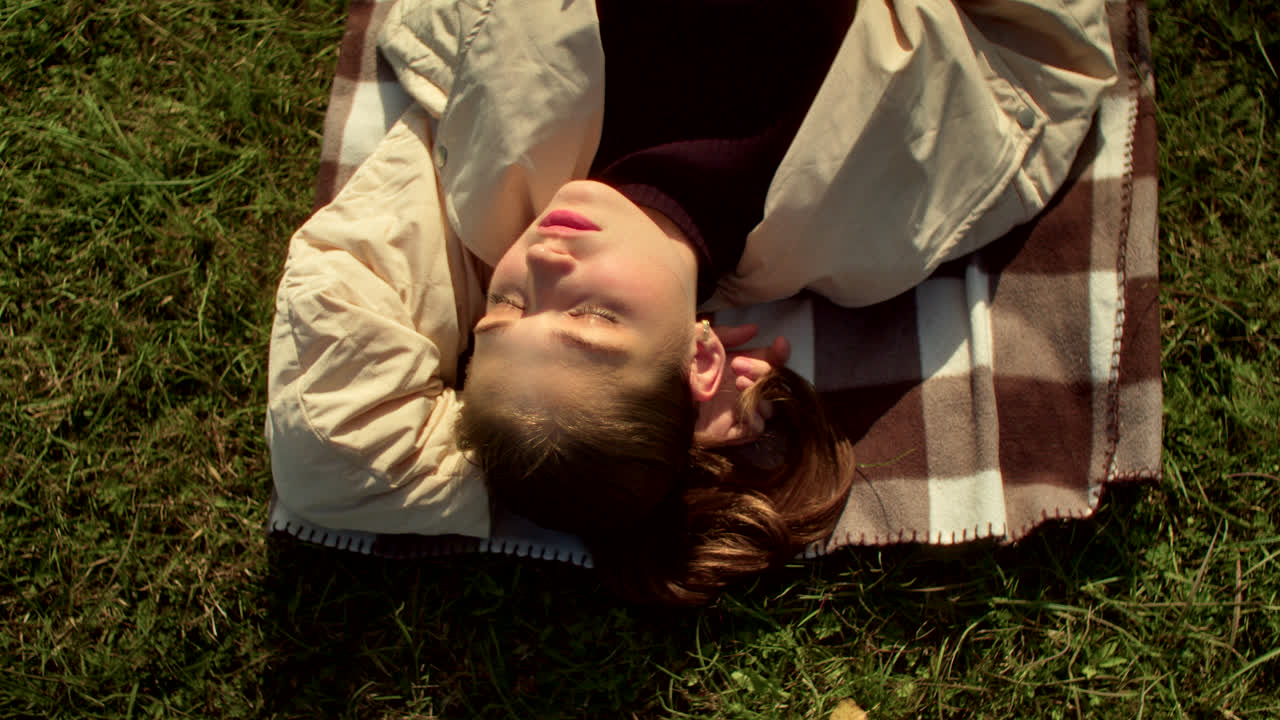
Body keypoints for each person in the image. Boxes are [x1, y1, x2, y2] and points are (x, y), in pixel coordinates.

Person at [267, 0, 1117, 604]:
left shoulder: (490, 180)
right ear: (703, 360)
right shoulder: (873, 236)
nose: (547, 262)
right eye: (594, 321)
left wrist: (546, 464)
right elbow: (1048, 52)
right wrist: (670, 443)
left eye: (505, 313)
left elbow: (325, 443)